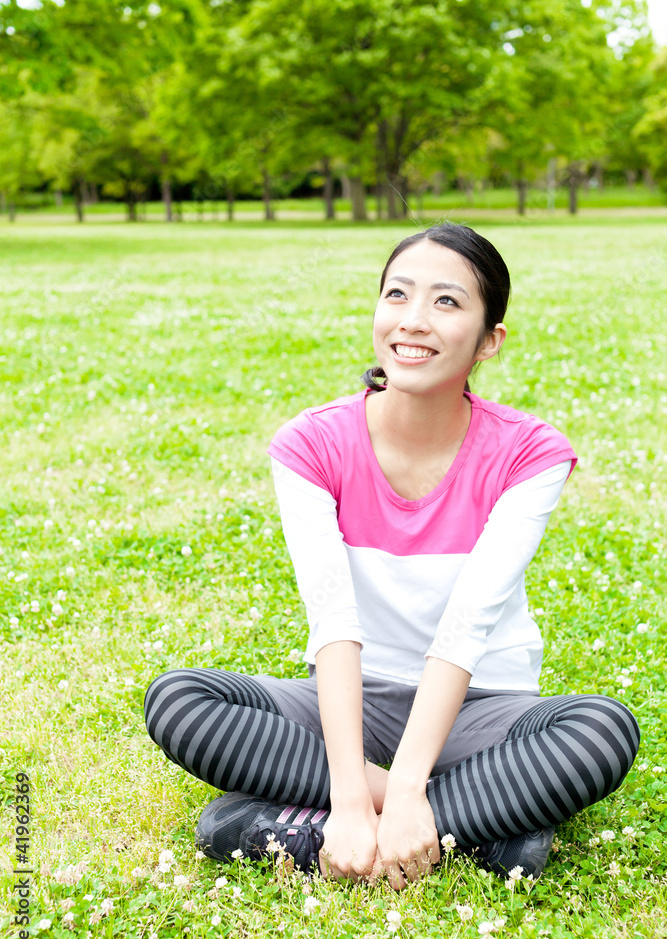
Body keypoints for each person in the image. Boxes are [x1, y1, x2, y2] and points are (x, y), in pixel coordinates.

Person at [144, 222, 640, 890]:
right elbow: (334, 621)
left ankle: (304, 824)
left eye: (446, 302)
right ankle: (480, 830)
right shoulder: (310, 445)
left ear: (489, 340)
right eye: (397, 294)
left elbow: (467, 625)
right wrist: (353, 794)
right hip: (352, 707)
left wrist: (410, 786)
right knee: (180, 698)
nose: (412, 321)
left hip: (478, 708)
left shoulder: (530, 452)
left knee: (599, 730)